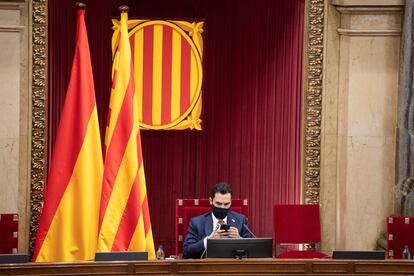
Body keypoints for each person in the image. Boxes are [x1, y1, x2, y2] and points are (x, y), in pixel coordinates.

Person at [183, 182, 252, 259]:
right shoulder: (196, 223)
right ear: (210, 201)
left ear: (231, 202)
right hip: (206, 268)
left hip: (233, 268)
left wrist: (239, 239)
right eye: (219, 204)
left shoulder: (241, 220)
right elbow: (186, 252)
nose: (222, 207)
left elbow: (253, 250)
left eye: (226, 204)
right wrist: (208, 240)